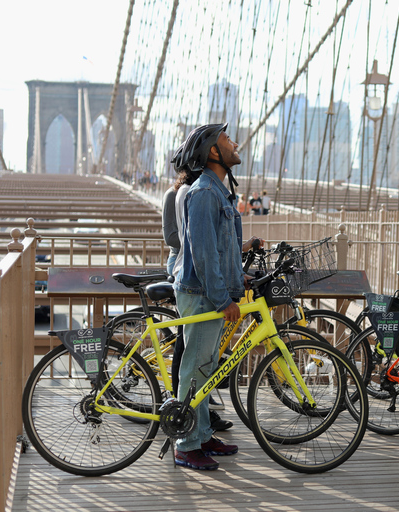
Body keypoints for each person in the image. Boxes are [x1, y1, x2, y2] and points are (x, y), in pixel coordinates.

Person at [169, 122, 258, 471]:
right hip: (200, 292)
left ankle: (202, 434)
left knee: (205, 369)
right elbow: (203, 253)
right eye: (226, 140)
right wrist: (223, 299)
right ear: (212, 153)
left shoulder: (218, 191)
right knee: (194, 370)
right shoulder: (205, 193)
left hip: (208, 291)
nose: (235, 143)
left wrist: (240, 277)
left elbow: (222, 250)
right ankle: (186, 444)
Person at [162, 177, 234, 433]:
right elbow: (173, 237)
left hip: (197, 270)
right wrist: (204, 245)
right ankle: (187, 420)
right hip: (184, 267)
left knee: (201, 357)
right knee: (190, 351)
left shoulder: (205, 191)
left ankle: (201, 422)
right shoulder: (185, 193)